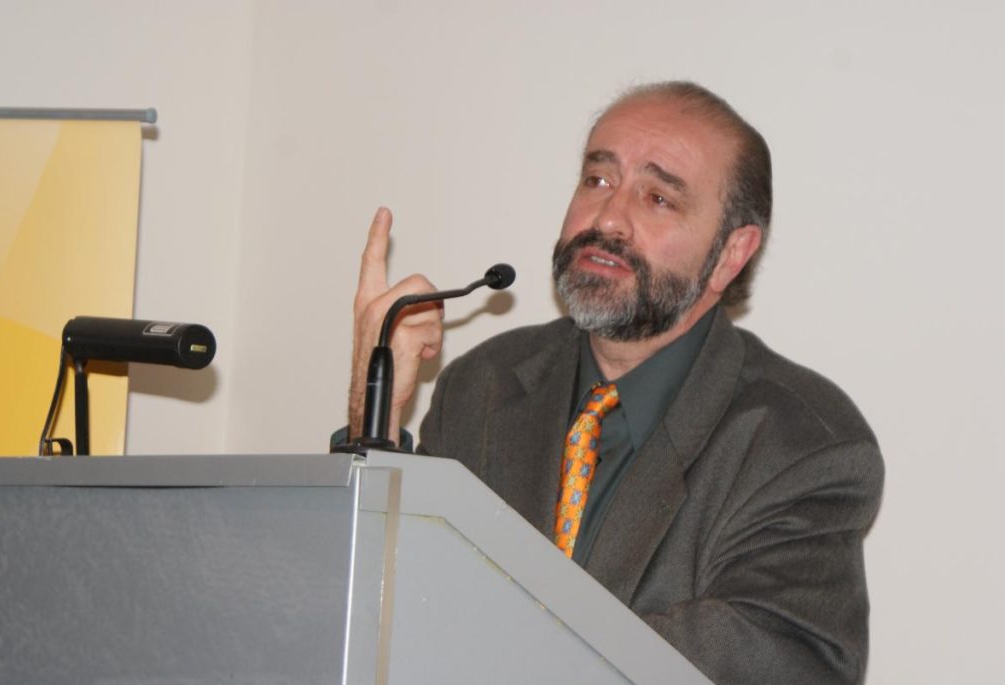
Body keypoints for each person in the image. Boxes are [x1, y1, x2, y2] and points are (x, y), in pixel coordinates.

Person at [345, 81, 884, 684]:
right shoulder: (485, 386)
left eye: (658, 198)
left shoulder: (800, 442)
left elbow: (778, 660)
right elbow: (381, 605)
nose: (608, 219)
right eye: (597, 180)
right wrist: (374, 415)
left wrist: (497, 647)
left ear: (731, 254)